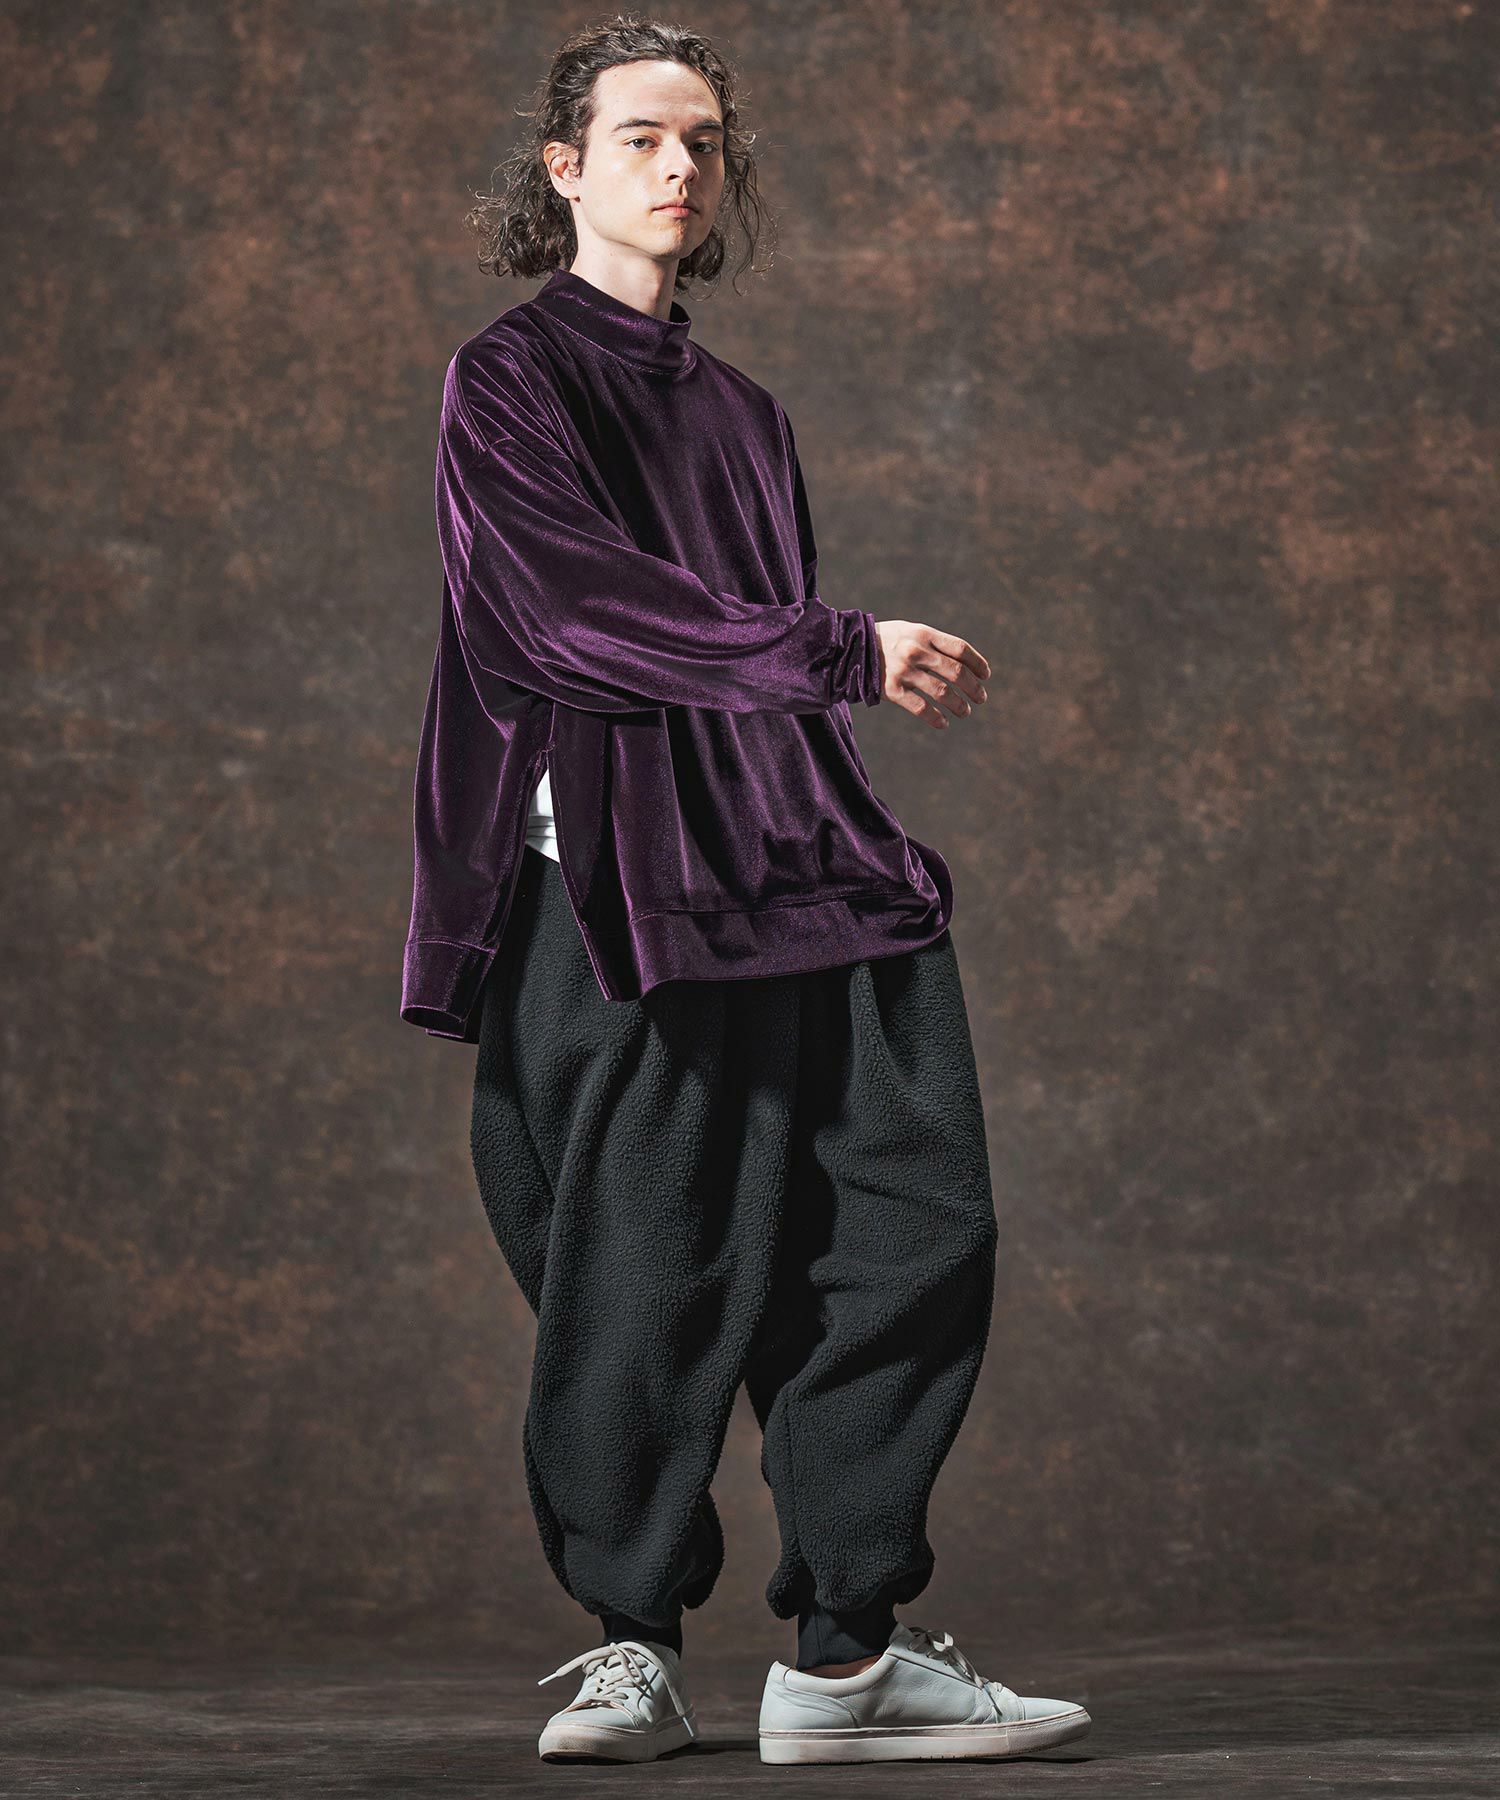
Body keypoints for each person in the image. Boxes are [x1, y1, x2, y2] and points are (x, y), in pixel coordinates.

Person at [400, 16, 1091, 1767]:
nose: (681, 167)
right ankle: (632, 1646)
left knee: (910, 1231)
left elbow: (747, 666)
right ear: (564, 168)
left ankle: (846, 1661)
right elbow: (567, 615)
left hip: (796, 865)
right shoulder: (509, 380)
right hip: (622, 895)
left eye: (704, 141)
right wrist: (850, 649)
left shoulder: (749, 418)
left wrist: (834, 731)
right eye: (642, 136)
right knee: (641, 1267)